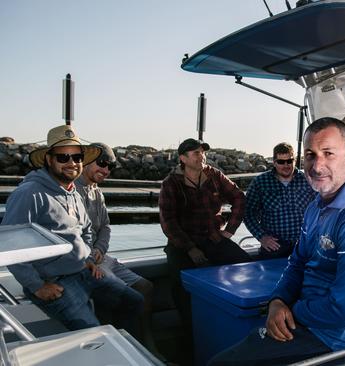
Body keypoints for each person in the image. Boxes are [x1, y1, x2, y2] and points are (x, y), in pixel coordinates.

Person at [210, 117, 345, 365]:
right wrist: (278, 300)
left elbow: (343, 310)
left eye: (328, 153)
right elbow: (298, 262)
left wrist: (292, 310)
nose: (317, 165)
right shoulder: (317, 206)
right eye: (310, 154)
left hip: (334, 339)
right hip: (305, 319)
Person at [1, 125, 143, 333]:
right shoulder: (30, 193)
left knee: (134, 301)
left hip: (82, 271)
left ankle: (127, 351)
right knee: (92, 332)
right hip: (54, 281)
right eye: (63, 157)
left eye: (77, 157)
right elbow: (8, 244)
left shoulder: (72, 192)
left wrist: (87, 258)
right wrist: (37, 286)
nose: (72, 163)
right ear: (49, 159)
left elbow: (85, 230)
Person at [159, 138, 251, 354]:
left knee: (246, 266)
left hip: (214, 238)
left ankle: (241, 327)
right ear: (182, 158)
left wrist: (230, 230)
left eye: (202, 152)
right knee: (182, 288)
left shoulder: (214, 175)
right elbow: (168, 222)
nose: (201, 156)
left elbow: (238, 197)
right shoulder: (171, 183)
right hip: (182, 244)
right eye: (195, 153)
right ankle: (190, 338)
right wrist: (190, 248)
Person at [75, 142, 159, 354]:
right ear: (85, 160)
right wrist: (90, 256)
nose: (105, 170)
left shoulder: (97, 192)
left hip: (101, 257)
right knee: (122, 298)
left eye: (110, 166)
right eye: (101, 163)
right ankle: (125, 351)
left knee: (145, 287)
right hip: (83, 262)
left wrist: (100, 250)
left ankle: (148, 344)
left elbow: (105, 227)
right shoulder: (71, 191)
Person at [243, 142, 316, 259]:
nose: (286, 165)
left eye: (289, 161)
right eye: (281, 162)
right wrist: (262, 237)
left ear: (295, 160)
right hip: (274, 246)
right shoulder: (260, 182)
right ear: (274, 162)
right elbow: (248, 213)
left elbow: (323, 209)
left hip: (304, 244)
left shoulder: (309, 180)